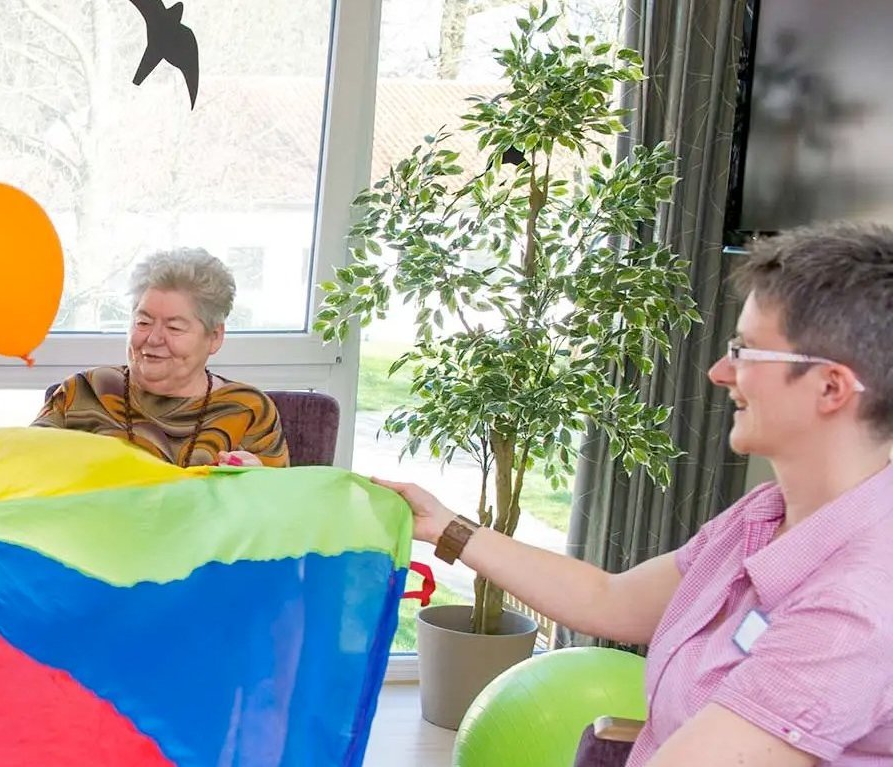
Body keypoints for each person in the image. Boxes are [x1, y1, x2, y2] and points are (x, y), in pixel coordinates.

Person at [376, 222, 893, 765]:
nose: (720, 372)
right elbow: (610, 599)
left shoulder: (855, 608)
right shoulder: (763, 517)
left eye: (747, 352)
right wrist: (444, 525)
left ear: (831, 387)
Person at [33, 248, 290, 468]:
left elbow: (281, 513)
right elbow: (21, 473)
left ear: (214, 336)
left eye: (175, 327)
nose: (153, 339)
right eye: (143, 322)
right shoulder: (83, 392)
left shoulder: (248, 410)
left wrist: (258, 484)